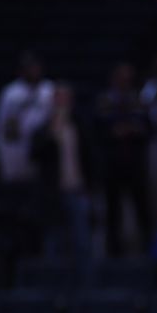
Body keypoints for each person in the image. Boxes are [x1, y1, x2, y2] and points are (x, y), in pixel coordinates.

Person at [95, 62, 156, 256]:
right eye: (121, 76)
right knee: (113, 213)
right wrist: (113, 132)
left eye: (128, 77)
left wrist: (135, 130)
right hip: (112, 166)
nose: (125, 80)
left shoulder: (139, 100)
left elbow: (153, 129)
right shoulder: (104, 101)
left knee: (143, 211)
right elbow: (96, 130)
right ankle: (114, 255)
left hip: (136, 165)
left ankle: (149, 253)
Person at [30, 82, 93, 258]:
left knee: (81, 240)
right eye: (58, 100)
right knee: (54, 240)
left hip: (77, 190)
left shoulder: (79, 127)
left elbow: (90, 158)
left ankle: (85, 283)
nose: (62, 104)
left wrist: (90, 186)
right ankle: (53, 282)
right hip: (52, 193)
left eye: (65, 99)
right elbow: (34, 154)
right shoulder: (43, 129)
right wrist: (52, 133)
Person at [0, 52, 54, 182]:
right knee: (16, 185)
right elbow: (2, 123)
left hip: (42, 145)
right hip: (15, 146)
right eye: (30, 68)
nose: (34, 71)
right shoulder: (11, 92)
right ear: (23, 70)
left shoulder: (48, 90)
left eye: (36, 67)